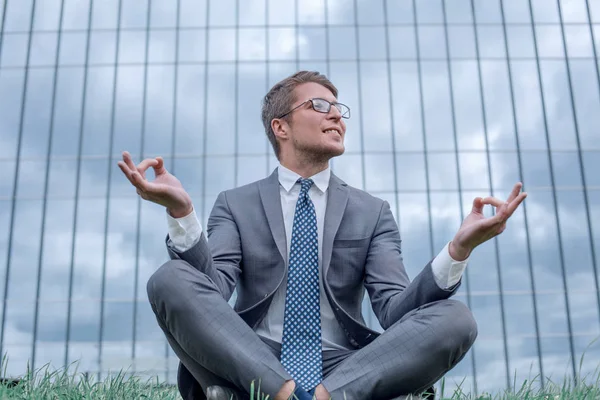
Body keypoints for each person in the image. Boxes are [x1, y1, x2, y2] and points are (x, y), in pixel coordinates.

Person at [118, 71, 527, 400]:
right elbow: (214, 288)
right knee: (169, 278)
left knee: (456, 317)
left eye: (339, 108)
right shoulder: (234, 204)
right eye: (320, 105)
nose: (337, 116)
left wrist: (458, 249)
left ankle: (325, 397)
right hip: (252, 357)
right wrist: (181, 212)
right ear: (280, 126)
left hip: (344, 367)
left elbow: (395, 311)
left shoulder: (373, 212)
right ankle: (280, 392)